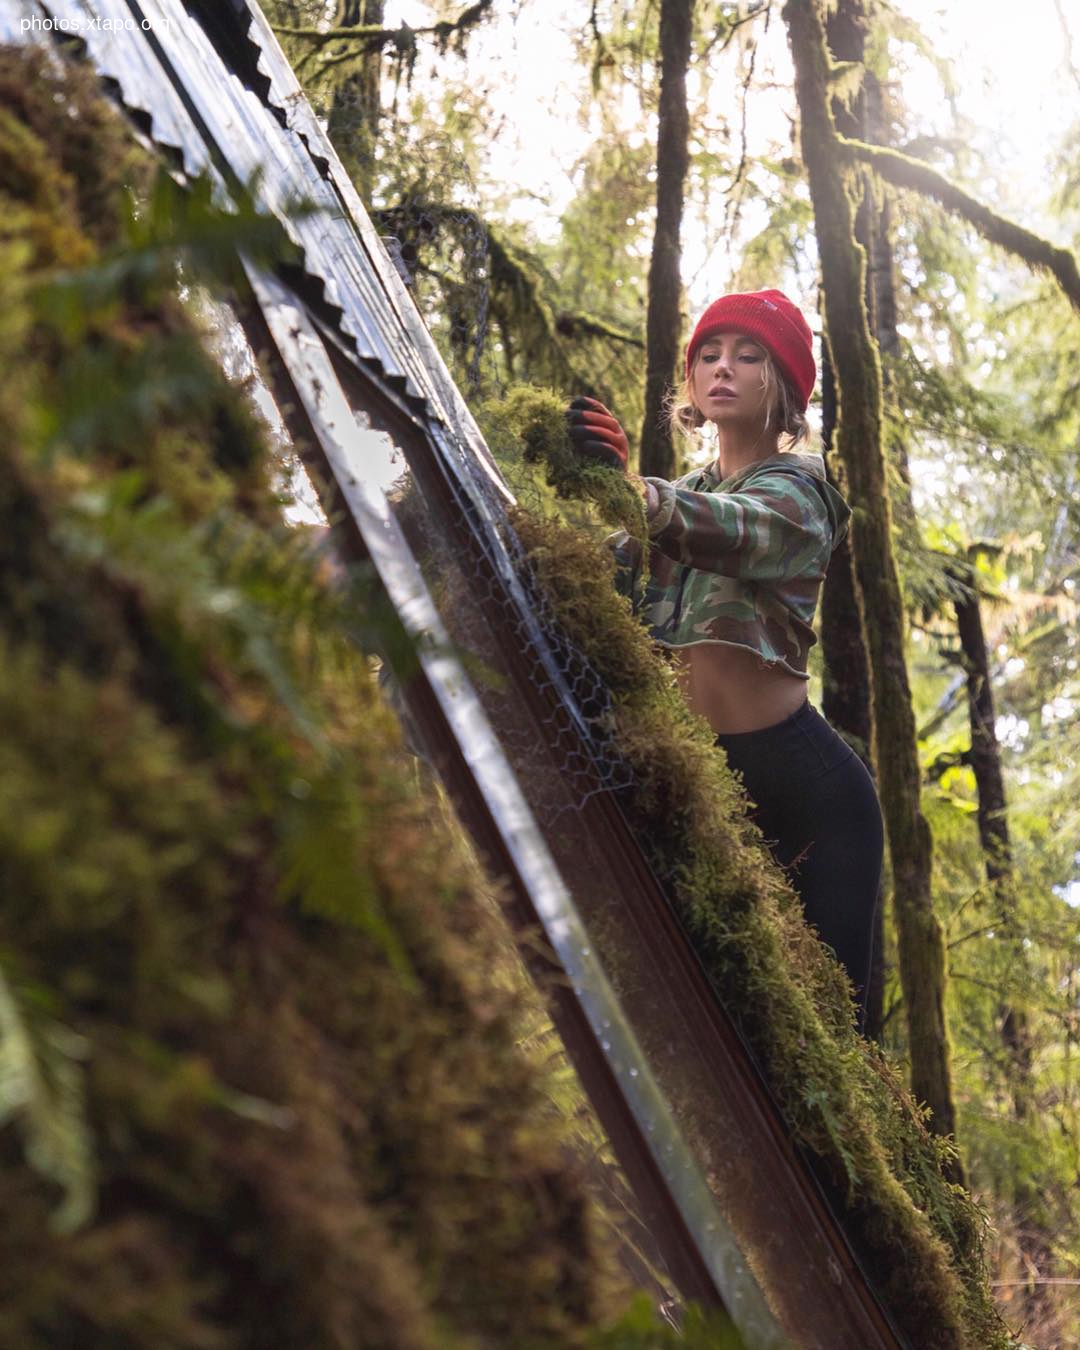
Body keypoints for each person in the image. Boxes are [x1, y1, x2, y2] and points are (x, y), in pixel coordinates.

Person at [567, 288, 883, 1028]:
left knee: (833, 1039)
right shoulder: (684, 493)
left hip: (810, 796)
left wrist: (634, 495)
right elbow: (591, 575)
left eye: (748, 355)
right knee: (719, 1017)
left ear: (783, 382)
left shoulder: (801, 491)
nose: (722, 368)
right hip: (703, 776)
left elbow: (737, 530)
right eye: (708, 354)